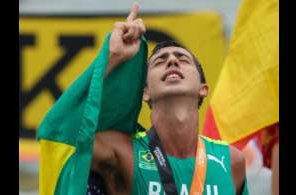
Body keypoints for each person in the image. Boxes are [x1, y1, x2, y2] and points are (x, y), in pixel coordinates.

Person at [88, 3, 247, 195]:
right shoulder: (123, 152)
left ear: (203, 89)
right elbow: (65, 139)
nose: (172, 60)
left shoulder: (232, 161)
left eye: (183, 59)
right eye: (160, 61)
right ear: (145, 92)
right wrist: (112, 58)